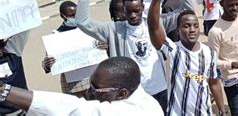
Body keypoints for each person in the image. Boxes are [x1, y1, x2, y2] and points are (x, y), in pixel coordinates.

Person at [75, 0, 193, 110]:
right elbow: (82, 21)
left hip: (161, 88)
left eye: (136, 11)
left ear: (143, 8)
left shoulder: (157, 24)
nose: (132, 15)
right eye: (128, 11)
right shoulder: (113, 30)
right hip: (132, 95)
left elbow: (187, 10)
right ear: (123, 10)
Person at [147, 0, 227, 115]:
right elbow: (153, 26)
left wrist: (222, 109)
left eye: (195, 26)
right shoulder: (172, 50)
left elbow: (214, 82)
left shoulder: (208, 52)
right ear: (177, 31)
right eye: (186, 26)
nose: (192, 30)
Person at [0, 57, 163, 115]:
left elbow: (74, 109)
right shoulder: (136, 95)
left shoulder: (137, 111)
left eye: (96, 89)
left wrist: (4, 91)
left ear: (121, 93)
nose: (89, 91)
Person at [42, 1, 108, 97]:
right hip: (73, 88)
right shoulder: (56, 36)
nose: (76, 18)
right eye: (72, 15)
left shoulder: (90, 29)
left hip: (95, 82)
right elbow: (48, 64)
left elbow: (105, 48)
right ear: (62, 16)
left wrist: (105, 47)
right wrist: (47, 64)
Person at [0, 31, 30, 115]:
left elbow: (24, 29)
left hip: (24, 110)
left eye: (1, 44)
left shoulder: (12, 51)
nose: (0, 49)